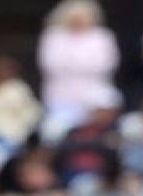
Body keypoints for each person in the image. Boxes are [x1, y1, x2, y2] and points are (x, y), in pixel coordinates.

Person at [38, 0, 119, 133]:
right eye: (74, 18)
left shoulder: (102, 36)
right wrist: (83, 64)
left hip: (95, 94)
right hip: (61, 95)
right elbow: (51, 64)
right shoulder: (54, 36)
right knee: (55, 130)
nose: (78, 21)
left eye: (82, 17)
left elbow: (106, 64)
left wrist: (72, 63)